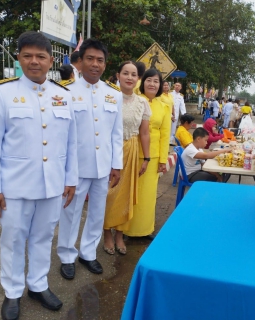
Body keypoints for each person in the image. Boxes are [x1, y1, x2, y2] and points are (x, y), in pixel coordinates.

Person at [0, 31, 78, 320]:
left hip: (52, 185)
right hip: (14, 186)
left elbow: (70, 143)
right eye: (27, 56)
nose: (34, 61)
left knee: (43, 236)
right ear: (19, 59)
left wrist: (70, 179)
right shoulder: (3, 93)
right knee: (12, 240)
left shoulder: (63, 95)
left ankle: (38, 285)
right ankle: (12, 292)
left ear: (51, 61)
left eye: (40, 56)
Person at [57, 38, 123, 279]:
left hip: (104, 165)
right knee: (70, 211)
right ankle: (66, 255)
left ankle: (88, 253)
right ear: (80, 62)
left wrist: (117, 164)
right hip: (76, 166)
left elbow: (117, 134)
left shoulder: (113, 95)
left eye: (100, 60)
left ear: (105, 64)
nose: (95, 64)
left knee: (97, 211)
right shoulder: (65, 92)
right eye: (90, 59)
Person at [103, 61, 151, 255]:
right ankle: (106, 233)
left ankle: (119, 235)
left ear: (138, 79)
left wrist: (146, 158)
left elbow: (145, 133)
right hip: (109, 151)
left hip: (131, 150)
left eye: (134, 74)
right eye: (126, 73)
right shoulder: (108, 98)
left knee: (125, 196)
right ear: (118, 75)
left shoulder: (142, 103)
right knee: (109, 193)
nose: (130, 77)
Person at [124, 68, 171, 239]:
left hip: (154, 156)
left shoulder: (165, 106)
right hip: (133, 152)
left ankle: (145, 230)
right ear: (143, 82)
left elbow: (165, 135)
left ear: (160, 85)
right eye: (149, 80)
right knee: (131, 193)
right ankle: (126, 229)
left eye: (156, 81)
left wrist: (163, 159)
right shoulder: (134, 101)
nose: (152, 84)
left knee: (149, 195)